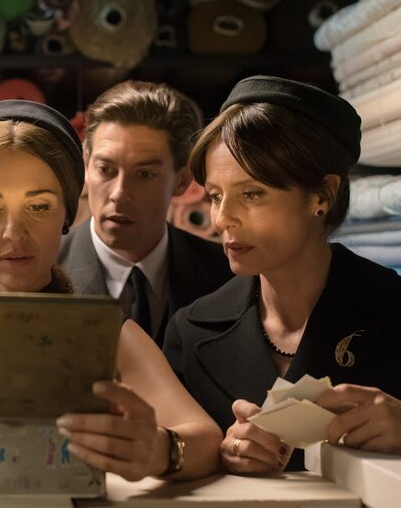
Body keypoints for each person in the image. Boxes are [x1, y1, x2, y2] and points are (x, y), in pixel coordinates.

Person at [0, 100, 222, 480]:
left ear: (67, 213)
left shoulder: (108, 336)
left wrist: (159, 449)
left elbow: (205, 440)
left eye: (38, 207)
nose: (13, 233)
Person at [163, 75, 401, 474]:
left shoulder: (392, 309)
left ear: (322, 196)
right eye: (216, 196)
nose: (222, 219)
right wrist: (217, 456)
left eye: (252, 194)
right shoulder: (190, 331)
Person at [59, 80, 232, 347]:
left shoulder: (227, 277)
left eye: (144, 174)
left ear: (182, 182)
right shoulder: (42, 271)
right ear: (86, 166)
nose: (119, 193)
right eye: (105, 169)